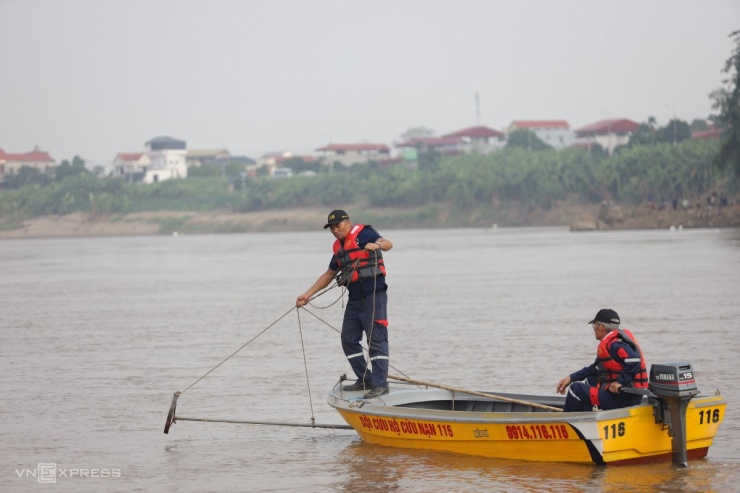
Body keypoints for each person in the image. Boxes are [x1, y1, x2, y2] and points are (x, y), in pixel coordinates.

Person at [296, 210, 393, 399]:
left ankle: (381, 384)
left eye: (337, 226)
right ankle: (365, 379)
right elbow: (329, 275)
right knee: (348, 339)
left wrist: (377, 244)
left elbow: (388, 244)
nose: (334, 230)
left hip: (374, 295)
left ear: (347, 223)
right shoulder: (339, 248)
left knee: (376, 339)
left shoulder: (364, 234)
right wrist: (306, 295)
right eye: (331, 228)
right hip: (355, 299)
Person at [556, 309, 648, 412]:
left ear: (601, 327)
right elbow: (595, 368)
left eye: (594, 325)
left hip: (622, 399)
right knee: (590, 379)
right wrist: (571, 377)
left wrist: (619, 382)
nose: (594, 329)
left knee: (575, 389)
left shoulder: (615, 344)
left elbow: (634, 359)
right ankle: (589, 416)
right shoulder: (615, 342)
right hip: (629, 396)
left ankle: (567, 422)